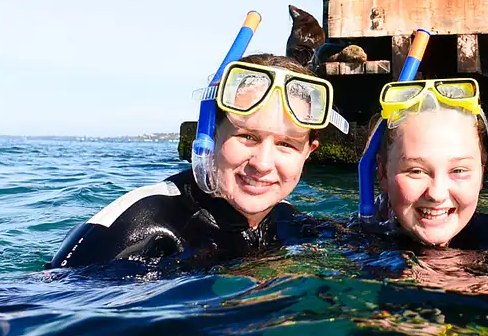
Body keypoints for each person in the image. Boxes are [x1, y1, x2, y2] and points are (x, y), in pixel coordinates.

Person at [48, 53, 343, 270]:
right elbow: (43, 306)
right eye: (247, 137)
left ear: (309, 151)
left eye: (285, 145)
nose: (263, 163)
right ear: (211, 135)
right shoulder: (145, 222)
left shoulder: (286, 221)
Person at [362, 77, 488, 251]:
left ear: (482, 173)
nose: (437, 194)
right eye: (417, 171)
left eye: (458, 170)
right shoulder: (350, 247)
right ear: (382, 173)